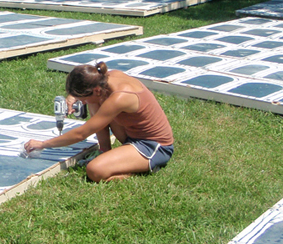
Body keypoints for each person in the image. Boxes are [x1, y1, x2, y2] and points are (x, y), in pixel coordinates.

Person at [23, 62, 174, 182]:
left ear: (95, 90)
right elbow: (88, 83)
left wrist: (43, 144)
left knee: (95, 171)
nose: (82, 103)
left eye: (82, 99)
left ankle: (139, 170)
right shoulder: (106, 78)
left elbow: (81, 134)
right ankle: (105, 151)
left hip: (154, 147)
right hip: (131, 135)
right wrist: (72, 96)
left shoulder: (120, 97)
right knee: (95, 102)